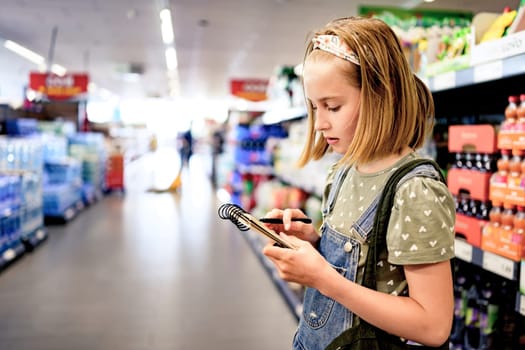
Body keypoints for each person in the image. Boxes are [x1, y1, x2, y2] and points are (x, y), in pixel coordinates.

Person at [262, 16, 455, 350]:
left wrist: (324, 278)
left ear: (381, 96)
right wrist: (312, 242)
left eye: (332, 106)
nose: (320, 123)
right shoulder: (342, 171)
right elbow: (364, 265)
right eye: (313, 107)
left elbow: (433, 325)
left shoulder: (414, 190)